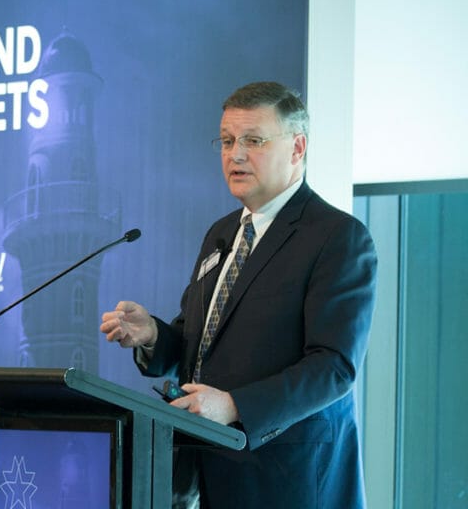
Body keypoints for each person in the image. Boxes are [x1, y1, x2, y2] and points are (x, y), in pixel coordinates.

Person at [100, 81, 377, 508]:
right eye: (227, 141)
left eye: (253, 140)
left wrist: (235, 406)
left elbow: (334, 367)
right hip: (204, 472)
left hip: (286, 481)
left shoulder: (337, 237)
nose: (236, 155)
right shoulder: (223, 232)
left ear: (297, 147)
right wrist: (153, 335)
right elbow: (199, 345)